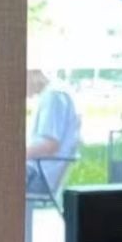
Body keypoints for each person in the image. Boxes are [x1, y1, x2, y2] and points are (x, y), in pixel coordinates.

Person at [26, 67, 80, 199]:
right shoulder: (54, 93)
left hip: (38, 176)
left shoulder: (53, 96)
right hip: (38, 172)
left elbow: (50, 145)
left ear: (32, 74)